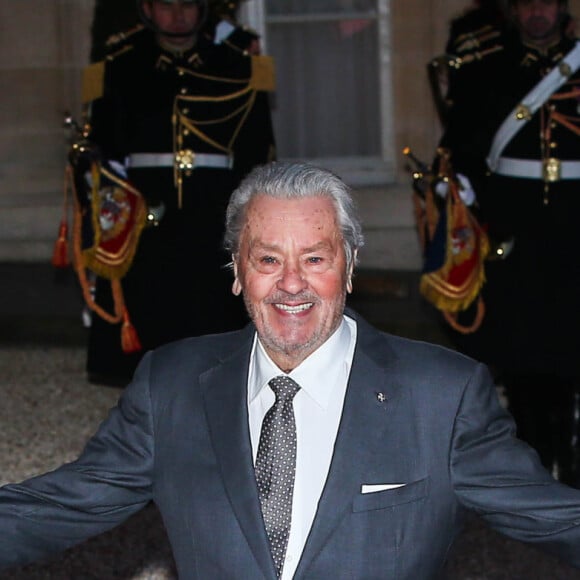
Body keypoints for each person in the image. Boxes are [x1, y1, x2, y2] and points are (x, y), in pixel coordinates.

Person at [2, 161, 580, 578]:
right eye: (268, 259)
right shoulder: (169, 386)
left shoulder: (443, 396)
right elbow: (59, 506)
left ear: (350, 268)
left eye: (315, 258)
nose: (292, 283)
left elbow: (554, 518)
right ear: (236, 271)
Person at [84, 0, 276, 386]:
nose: (177, 14)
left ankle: (219, 382)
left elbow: (257, 148)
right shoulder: (120, 63)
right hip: (144, 201)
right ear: (146, 9)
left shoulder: (236, 63)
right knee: (147, 296)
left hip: (215, 201)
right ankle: (143, 388)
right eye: (165, 4)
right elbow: (103, 147)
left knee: (215, 295)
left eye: (187, 4)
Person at [437, 0, 580, 487]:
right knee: (527, 355)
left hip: (578, 225)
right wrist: (471, 204)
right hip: (515, 234)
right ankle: (540, 464)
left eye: (547, 1)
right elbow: (459, 152)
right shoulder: (485, 74)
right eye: (526, 2)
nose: (537, 12)